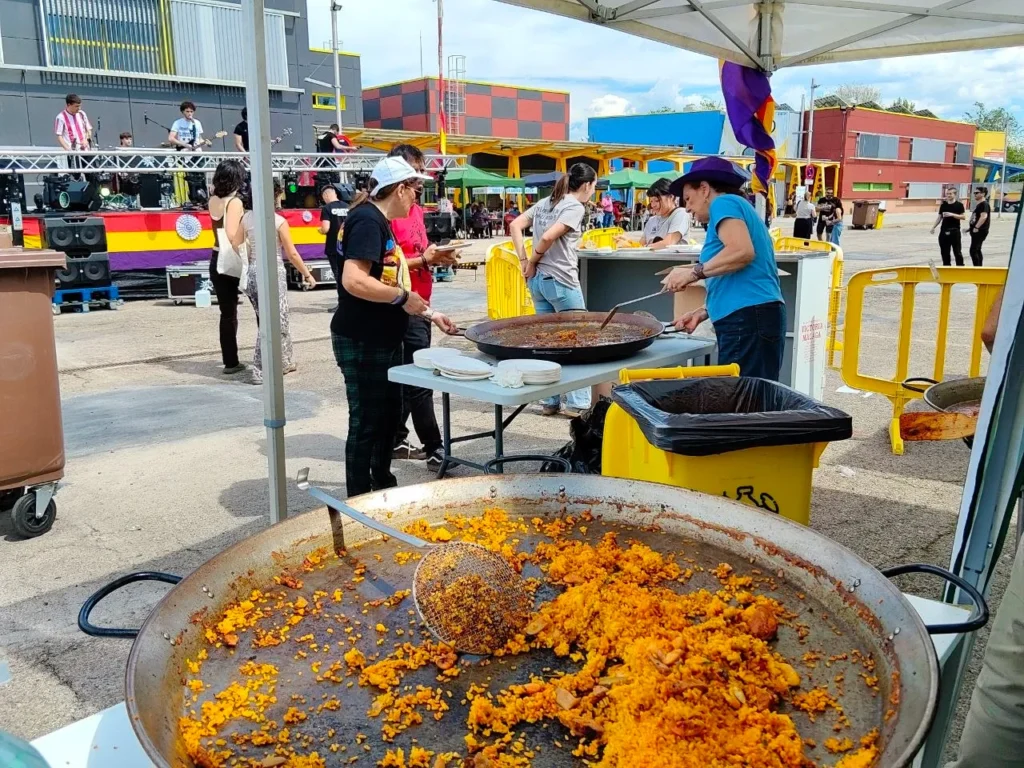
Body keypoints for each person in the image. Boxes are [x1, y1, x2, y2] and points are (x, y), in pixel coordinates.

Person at [332, 155, 457, 497]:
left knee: (388, 416)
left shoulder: (377, 221)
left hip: (383, 336)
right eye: (416, 190)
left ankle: (382, 483)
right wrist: (402, 299)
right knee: (367, 422)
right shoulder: (367, 221)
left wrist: (430, 314)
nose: (417, 198)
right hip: (361, 337)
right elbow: (354, 280)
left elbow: (391, 277)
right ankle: (359, 497)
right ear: (400, 189)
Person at [662, 157, 786, 380]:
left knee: (744, 404)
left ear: (704, 189)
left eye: (688, 199)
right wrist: (704, 311)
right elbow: (737, 274)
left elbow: (742, 252)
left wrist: (692, 273)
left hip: (749, 318)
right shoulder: (733, 207)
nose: (687, 208)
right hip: (752, 316)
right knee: (750, 400)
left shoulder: (724, 203)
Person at [387, 144, 460, 467]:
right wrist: (422, 259)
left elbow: (418, 247)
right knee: (420, 376)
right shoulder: (387, 212)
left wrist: (439, 254)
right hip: (401, 303)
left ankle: (395, 439)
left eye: (420, 175)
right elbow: (389, 264)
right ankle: (434, 447)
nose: (418, 183)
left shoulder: (414, 208)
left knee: (409, 376)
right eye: (412, 175)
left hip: (421, 301)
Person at [510, 163, 597, 417]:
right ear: (587, 185)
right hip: (561, 280)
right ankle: (578, 402)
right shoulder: (573, 206)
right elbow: (548, 237)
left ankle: (549, 400)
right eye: (594, 185)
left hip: (537, 282)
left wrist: (525, 261)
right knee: (577, 339)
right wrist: (533, 260)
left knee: (548, 341)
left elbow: (515, 225)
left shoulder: (547, 201)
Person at [241, 178, 316, 385]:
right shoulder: (278, 221)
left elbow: (237, 243)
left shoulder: (247, 218)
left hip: (254, 271)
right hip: (273, 272)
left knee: (268, 319)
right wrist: (307, 274)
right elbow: (291, 253)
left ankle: (284, 360)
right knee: (276, 320)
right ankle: (261, 368)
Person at [207, 160, 247, 375]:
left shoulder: (213, 200)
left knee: (227, 313)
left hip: (216, 257)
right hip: (233, 258)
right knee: (261, 307)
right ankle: (265, 357)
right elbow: (232, 236)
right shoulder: (235, 203)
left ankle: (230, 361)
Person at [617, 178, 690, 250]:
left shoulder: (680, 214)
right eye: (651, 201)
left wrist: (639, 247)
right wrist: (629, 242)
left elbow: (668, 243)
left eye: (657, 200)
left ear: (671, 197)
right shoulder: (651, 220)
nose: (653, 205)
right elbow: (641, 244)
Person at [932, 187, 967, 266]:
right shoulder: (943, 205)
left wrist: (952, 214)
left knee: (957, 251)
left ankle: (960, 267)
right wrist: (933, 227)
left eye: (950, 194)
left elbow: (963, 217)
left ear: (955, 194)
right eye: (947, 193)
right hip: (944, 230)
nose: (948, 195)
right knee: (944, 251)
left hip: (955, 231)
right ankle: (947, 267)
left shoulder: (959, 205)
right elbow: (939, 217)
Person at [967, 187, 991, 267]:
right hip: (976, 230)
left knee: (974, 250)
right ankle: (979, 268)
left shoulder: (984, 204)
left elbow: (983, 217)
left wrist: (976, 227)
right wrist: (970, 228)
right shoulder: (980, 205)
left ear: (983, 194)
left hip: (980, 231)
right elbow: (976, 218)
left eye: (977, 193)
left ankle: (977, 269)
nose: (975, 194)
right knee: (977, 250)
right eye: (974, 193)